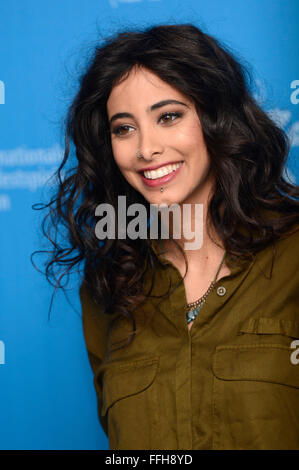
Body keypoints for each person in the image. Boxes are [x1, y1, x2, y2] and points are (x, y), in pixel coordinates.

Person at [37, 23, 299, 450]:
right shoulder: (109, 283)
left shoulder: (293, 253)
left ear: (216, 119)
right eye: (124, 128)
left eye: (169, 116)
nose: (146, 148)